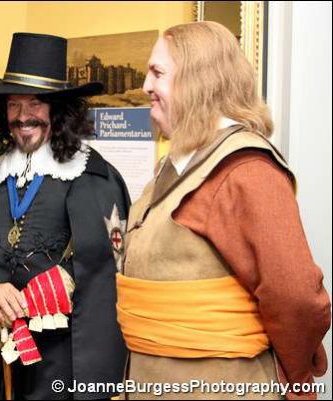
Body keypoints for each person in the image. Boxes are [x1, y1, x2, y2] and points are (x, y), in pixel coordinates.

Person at [117, 21, 331, 399]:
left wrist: (295, 375)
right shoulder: (175, 166)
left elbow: (297, 296)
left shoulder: (247, 171)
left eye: (158, 73)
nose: (146, 86)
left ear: (199, 81)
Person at [0, 32, 130, 400]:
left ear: (58, 112)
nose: (22, 117)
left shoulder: (93, 174)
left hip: (60, 353)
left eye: (34, 104)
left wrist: (30, 302)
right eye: (13, 105)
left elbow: (104, 259)